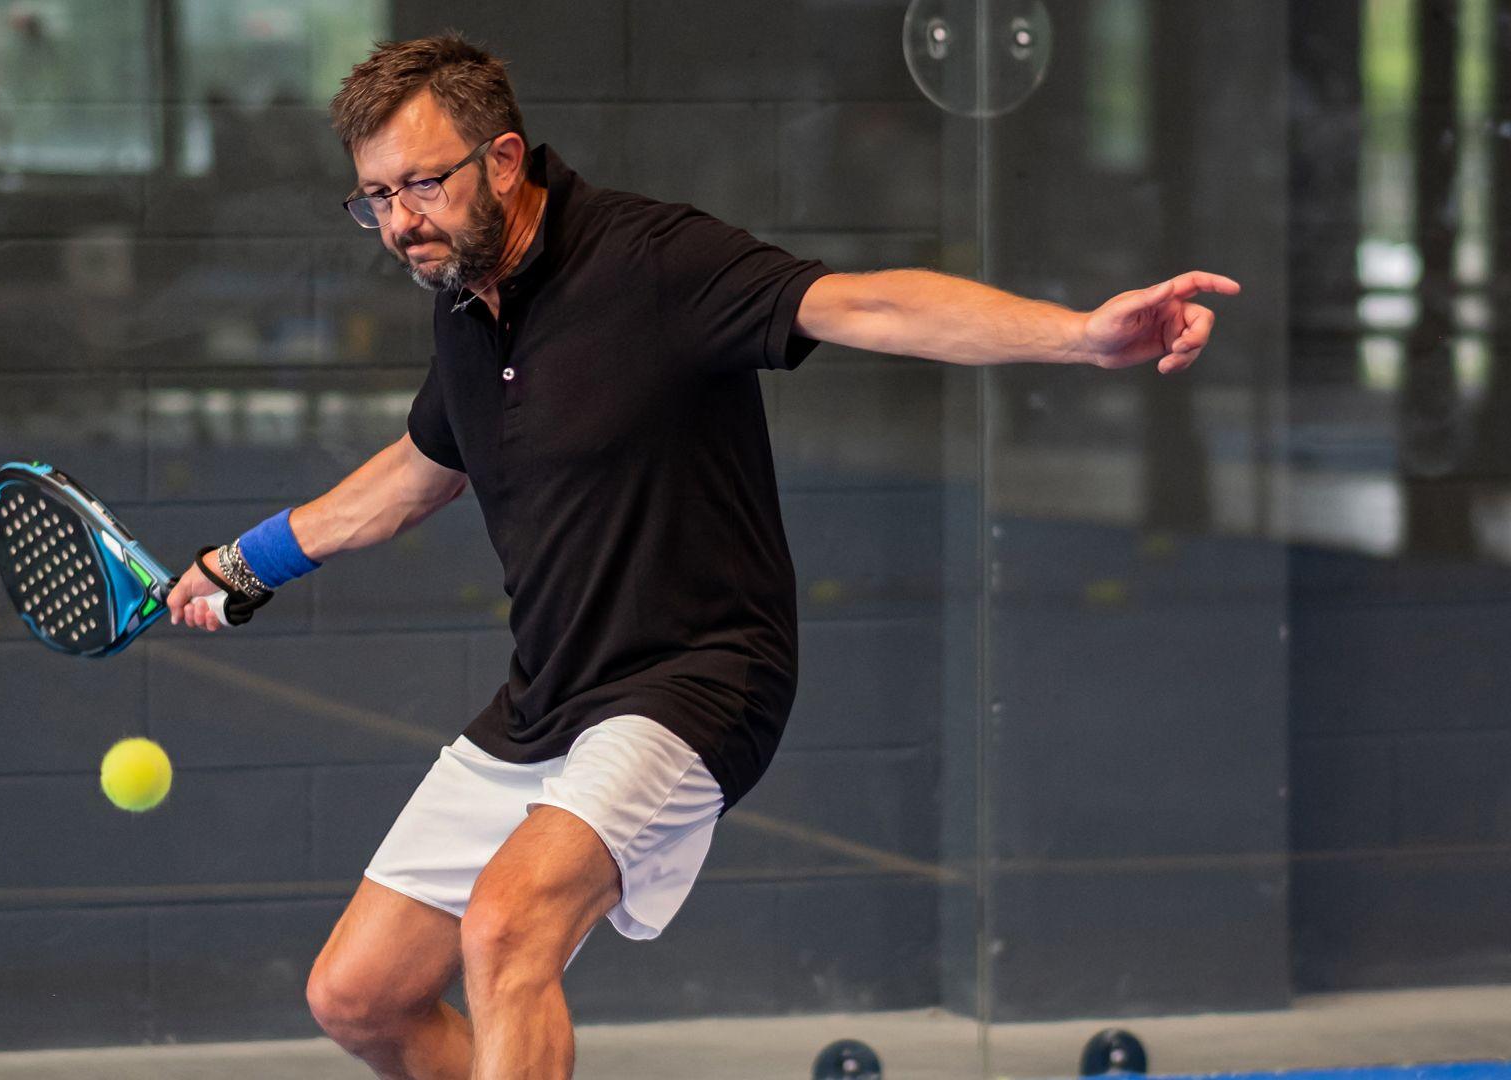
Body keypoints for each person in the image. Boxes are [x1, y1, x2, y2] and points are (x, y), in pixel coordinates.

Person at [162, 33, 1240, 1080]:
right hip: (552, 694)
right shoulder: (467, 305)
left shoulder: (655, 261)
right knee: (360, 995)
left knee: (507, 929)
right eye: (376, 199)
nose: (401, 223)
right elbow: (415, 471)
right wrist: (244, 565)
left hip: (695, 680)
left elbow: (865, 303)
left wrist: (1081, 335)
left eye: (422, 185)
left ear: (502, 160)